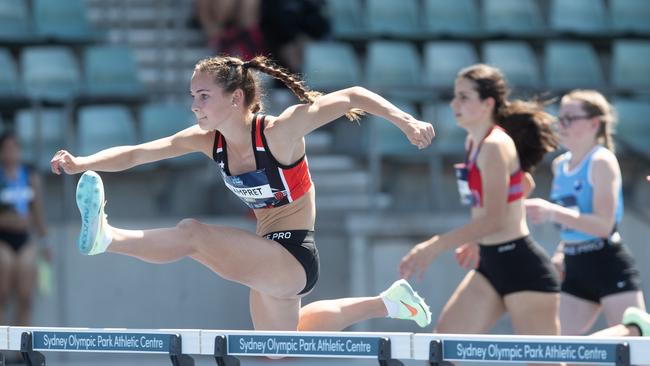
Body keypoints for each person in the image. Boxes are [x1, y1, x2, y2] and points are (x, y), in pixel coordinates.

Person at [50, 55, 435, 331]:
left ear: (235, 99)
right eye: (192, 95)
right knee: (279, 349)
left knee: (193, 234)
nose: (193, 105)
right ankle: (389, 302)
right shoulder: (207, 141)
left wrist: (406, 120)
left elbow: (351, 96)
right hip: (267, 253)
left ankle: (108, 237)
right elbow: (138, 153)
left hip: (294, 256)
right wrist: (84, 162)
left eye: (203, 96)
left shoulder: (280, 131)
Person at [399, 64, 561, 337]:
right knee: (445, 347)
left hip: (522, 265)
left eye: (464, 97)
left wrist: (434, 246)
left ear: (487, 104)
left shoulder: (495, 145)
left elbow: (493, 219)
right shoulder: (473, 143)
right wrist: (477, 238)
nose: (454, 103)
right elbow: (523, 183)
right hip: (490, 263)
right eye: (454, 95)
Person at [525, 90, 645, 335]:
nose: (562, 124)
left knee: (635, 341)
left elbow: (603, 225)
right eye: (560, 118)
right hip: (575, 264)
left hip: (606, 262)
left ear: (594, 124)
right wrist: (561, 250)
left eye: (570, 118)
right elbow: (575, 220)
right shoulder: (561, 165)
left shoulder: (601, 161)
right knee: (554, 350)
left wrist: (551, 212)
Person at [0, 132, 49, 326]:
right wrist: (12, 220)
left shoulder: (30, 177)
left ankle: (22, 352)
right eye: (7, 148)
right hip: (3, 240)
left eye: (15, 147)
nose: (11, 152)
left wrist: (45, 242)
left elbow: (37, 214)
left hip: (24, 239)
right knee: (2, 295)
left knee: (25, 296)